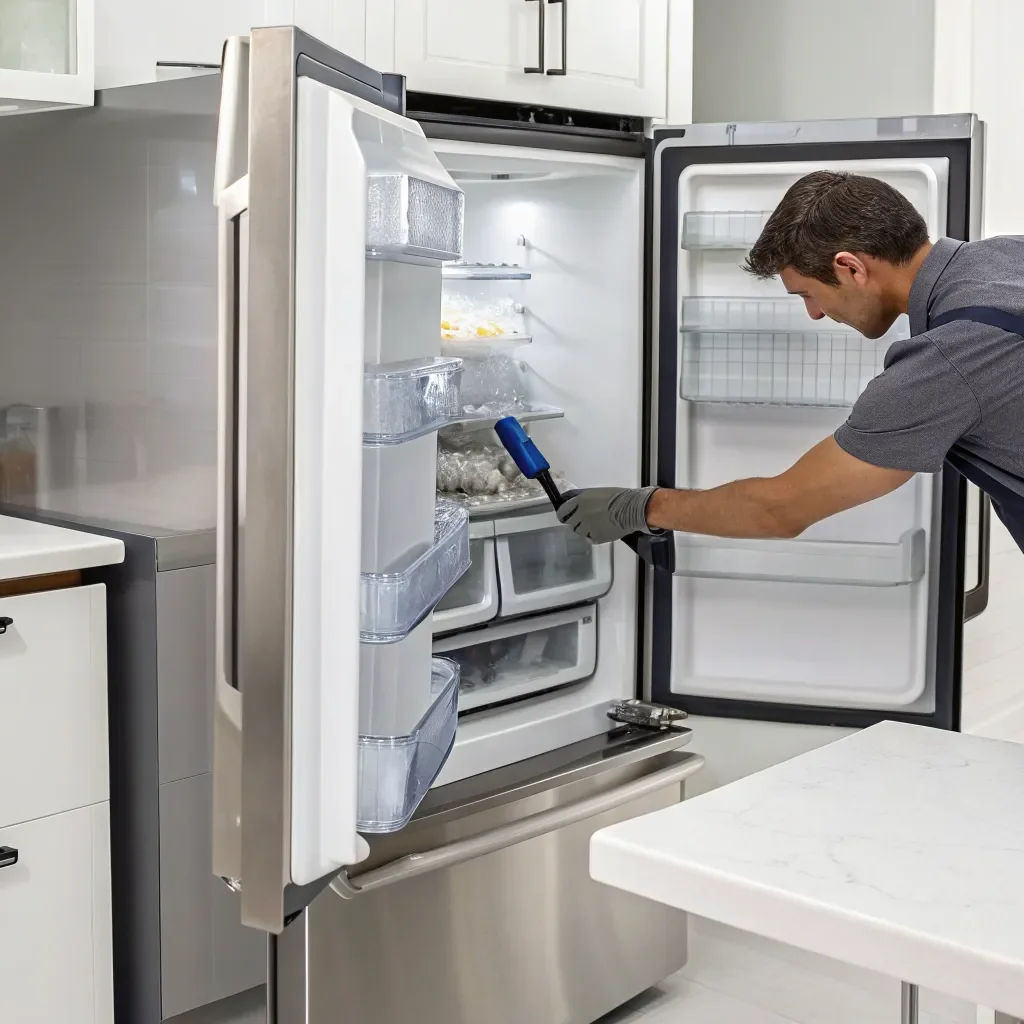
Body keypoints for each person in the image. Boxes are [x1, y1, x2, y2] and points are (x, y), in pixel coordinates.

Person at [558, 171, 1024, 554]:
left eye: (807, 294)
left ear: (850, 268)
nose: (816, 313)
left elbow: (779, 510)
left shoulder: (941, 366)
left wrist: (640, 508)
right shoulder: (1008, 255)